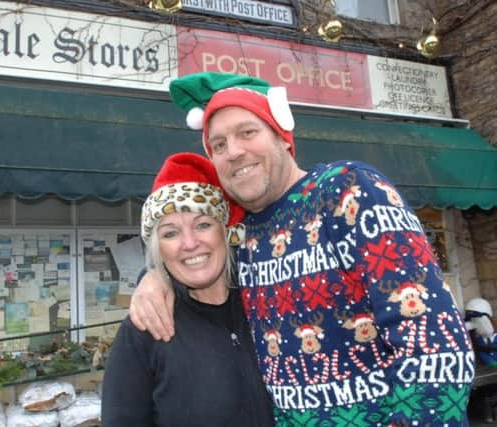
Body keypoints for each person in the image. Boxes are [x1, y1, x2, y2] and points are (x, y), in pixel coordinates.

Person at [129, 72, 475, 425]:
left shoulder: (349, 191)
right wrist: (154, 276)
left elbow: (436, 348)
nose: (233, 151)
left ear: (282, 136)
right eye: (218, 145)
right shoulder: (241, 235)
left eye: (247, 132)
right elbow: (192, 255)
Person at [101, 152, 274, 426]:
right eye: (170, 233)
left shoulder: (269, 300)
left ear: (226, 231)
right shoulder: (145, 329)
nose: (190, 243)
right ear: (159, 250)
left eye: (203, 225)